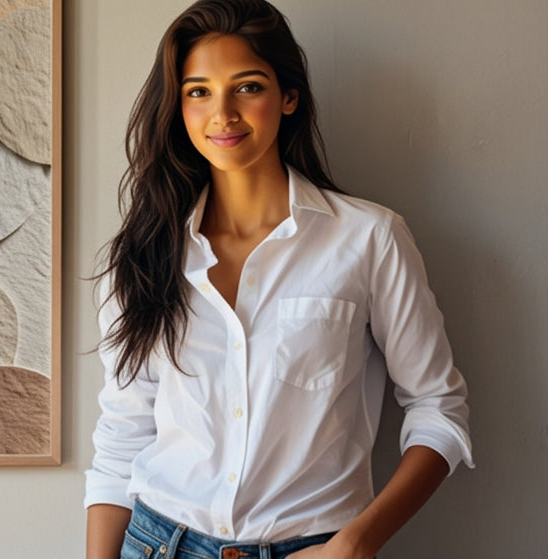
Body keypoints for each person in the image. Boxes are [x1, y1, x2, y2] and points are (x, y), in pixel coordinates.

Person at [84, 1, 474, 558]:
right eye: (198, 91)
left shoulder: (369, 240)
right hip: (157, 542)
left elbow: (439, 407)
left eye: (247, 87)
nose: (223, 114)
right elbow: (122, 438)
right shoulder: (143, 256)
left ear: (289, 96)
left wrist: (354, 544)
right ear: (178, 106)